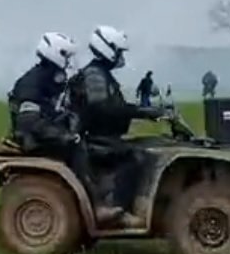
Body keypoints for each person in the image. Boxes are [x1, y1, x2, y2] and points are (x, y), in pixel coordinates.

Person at [7, 33, 120, 221]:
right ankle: (97, 205)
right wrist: (63, 136)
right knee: (78, 148)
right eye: (66, 56)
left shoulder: (49, 77)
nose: (69, 61)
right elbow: (30, 122)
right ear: (55, 53)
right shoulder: (32, 83)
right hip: (32, 139)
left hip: (40, 133)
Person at [67, 25, 166, 226]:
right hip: (93, 138)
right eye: (119, 51)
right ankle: (116, 209)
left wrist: (145, 111)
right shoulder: (94, 74)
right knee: (135, 157)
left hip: (100, 135)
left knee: (144, 146)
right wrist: (142, 112)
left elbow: (115, 106)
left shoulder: (102, 73)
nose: (121, 56)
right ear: (107, 48)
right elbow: (103, 108)